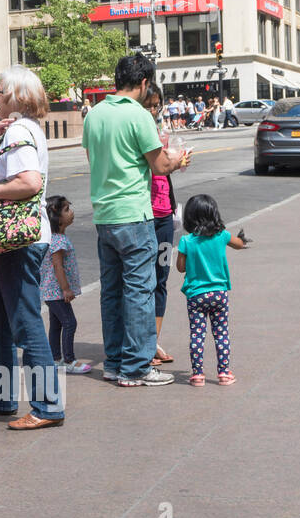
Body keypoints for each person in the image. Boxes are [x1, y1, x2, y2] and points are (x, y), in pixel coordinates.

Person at [82, 54, 192, 387]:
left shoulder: (94, 114)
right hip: (134, 215)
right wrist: (177, 160)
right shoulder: (139, 117)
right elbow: (159, 166)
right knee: (140, 291)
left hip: (104, 215)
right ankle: (137, 367)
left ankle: (114, 362)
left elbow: (94, 159)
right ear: (144, 83)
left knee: (112, 291)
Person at [0, 66, 63, 430]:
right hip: (14, 240)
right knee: (0, 321)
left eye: (0, 92)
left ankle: (48, 407)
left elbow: (29, 182)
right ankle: (1, 396)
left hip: (20, 240)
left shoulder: (21, 130)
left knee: (24, 323)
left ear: (17, 97)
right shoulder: (14, 130)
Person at [176, 194, 249, 386]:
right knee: (221, 333)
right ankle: (224, 373)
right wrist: (242, 238)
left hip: (196, 295)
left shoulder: (186, 241)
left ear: (189, 218)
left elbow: (180, 267)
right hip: (219, 293)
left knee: (197, 335)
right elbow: (239, 244)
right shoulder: (222, 235)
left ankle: (197, 374)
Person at [143, 82, 176, 366]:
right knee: (143, 280)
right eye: (149, 105)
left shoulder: (157, 132)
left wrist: (175, 160)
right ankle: (141, 344)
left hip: (165, 217)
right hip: (143, 217)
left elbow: (164, 168)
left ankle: (153, 342)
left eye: (157, 105)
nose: (153, 110)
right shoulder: (136, 130)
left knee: (161, 279)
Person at [42, 195, 90, 374]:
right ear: (57, 218)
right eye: (67, 210)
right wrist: (66, 289)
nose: (72, 213)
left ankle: (54, 359)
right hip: (56, 292)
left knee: (57, 324)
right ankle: (69, 360)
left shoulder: (54, 238)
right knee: (70, 323)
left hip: (50, 292)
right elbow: (57, 266)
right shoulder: (59, 241)